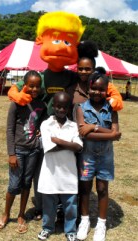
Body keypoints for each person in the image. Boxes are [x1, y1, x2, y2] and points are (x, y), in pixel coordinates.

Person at [0, 70, 47, 233]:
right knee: (14, 185)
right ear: (24, 85)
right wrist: (11, 154)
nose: (34, 89)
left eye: (37, 86)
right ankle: (5, 214)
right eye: (31, 86)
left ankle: (21, 215)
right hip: (18, 151)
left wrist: (39, 130)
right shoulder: (16, 103)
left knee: (26, 183)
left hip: (33, 151)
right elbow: (10, 130)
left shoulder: (41, 105)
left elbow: (41, 122)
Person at [75, 72, 121, 241]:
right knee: (85, 189)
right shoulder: (81, 108)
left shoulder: (112, 109)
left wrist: (93, 127)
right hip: (87, 157)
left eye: (101, 89)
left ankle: (101, 224)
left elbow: (116, 134)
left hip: (105, 157)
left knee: (102, 189)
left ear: (106, 91)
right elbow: (84, 134)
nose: (97, 92)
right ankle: (85, 221)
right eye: (94, 88)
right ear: (89, 88)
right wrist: (110, 134)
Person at [37, 92, 83, 241]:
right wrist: (69, 144)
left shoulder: (73, 126)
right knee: (49, 203)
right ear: (53, 106)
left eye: (65, 107)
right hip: (50, 172)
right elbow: (49, 147)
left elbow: (79, 147)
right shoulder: (46, 124)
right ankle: (47, 227)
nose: (61, 110)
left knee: (70, 204)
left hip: (68, 173)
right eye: (58, 106)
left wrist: (59, 141)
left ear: (69, 108)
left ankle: (70, 230)